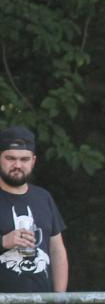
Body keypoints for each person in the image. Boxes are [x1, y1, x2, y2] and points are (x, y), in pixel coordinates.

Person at [0, 126, 68, 294]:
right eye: (10, 158)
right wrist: (3, 242)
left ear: (33, 161)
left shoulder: (43, 197)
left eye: (24, 159)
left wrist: (58, 300)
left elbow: (57, 251)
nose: (17, 165)